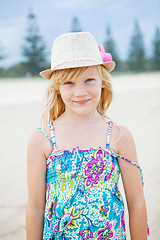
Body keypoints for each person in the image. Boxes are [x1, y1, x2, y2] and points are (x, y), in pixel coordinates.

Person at [26, 32, 149, 240]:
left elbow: (136, 201)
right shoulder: (42, 139)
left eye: (89, 80)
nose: (80, 92)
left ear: (102, 81)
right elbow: (36, 206)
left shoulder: (119, 136)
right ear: (57, 87)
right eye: (69, 83)